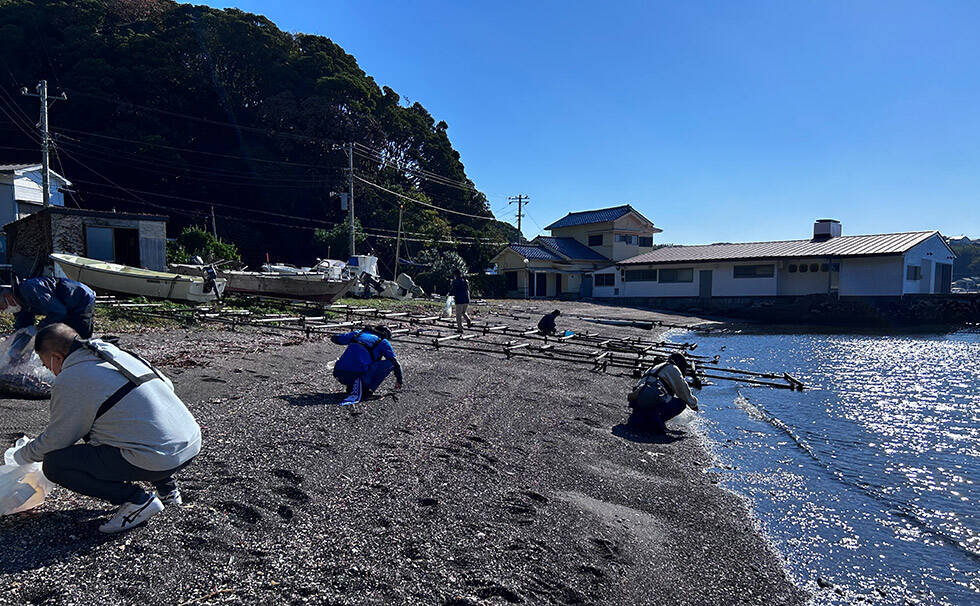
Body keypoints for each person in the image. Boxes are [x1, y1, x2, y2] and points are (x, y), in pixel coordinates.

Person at [8, 323, 202, 534]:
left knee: (56, 464)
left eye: (46, 365)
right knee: (119, 425)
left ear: (56, 357)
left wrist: (22, 456)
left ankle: (137, 500)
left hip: (158, 458)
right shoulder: (115, 353)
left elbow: (58, 439)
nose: (50, 371)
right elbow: (167, 386)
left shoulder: (72, 378)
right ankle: (168, 489)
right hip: (189, 443)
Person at [0, 277, 97, 358]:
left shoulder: (30, 289)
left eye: (1, 306)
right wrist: (17, 350)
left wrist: (39, 328)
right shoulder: (20, 305)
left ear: (7, 296)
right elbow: (23, 327)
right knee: (59, 340)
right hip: (63, 305)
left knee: (77, 341)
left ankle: (83, 367)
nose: (4, 310)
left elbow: (58, 312)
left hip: (80, 298)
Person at [626, 353, 700, 433]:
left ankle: (642, 416)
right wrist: (693, 404)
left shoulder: (653, 367)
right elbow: (683, 390)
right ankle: (655, 421)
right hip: (651, 398)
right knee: (681, 403)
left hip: (637, 401)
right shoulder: (673, 368)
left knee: (662, 396)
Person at [331, 325, 403, 405]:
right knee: (389, 364)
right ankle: (368, 389)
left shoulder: (358, 333)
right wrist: (399, 380)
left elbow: (335, 339)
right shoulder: (383, 341)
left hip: (339, 373)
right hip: (358, 376)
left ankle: (352, 385)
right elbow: (395, 363)